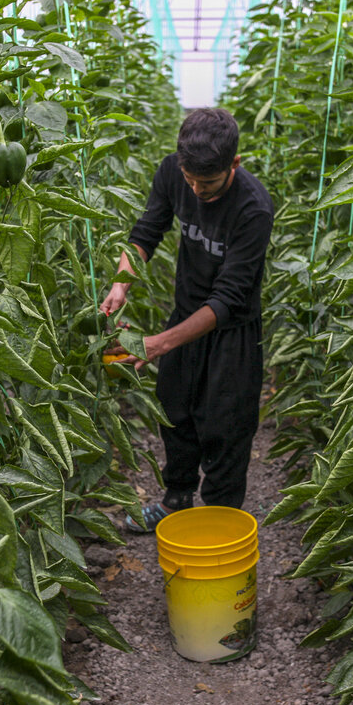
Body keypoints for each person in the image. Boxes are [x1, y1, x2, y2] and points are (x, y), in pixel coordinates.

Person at [99, 108, 274, 532]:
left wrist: (158, 343)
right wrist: (122, 283)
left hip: (231, 331)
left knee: (226, 428)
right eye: (191, 180)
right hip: (186, 315)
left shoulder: (254, 207)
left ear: (234, 164)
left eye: (209, 183)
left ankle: (221, 521)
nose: (197, 191)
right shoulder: (173, 173)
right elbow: (146, 233)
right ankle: (175, 501)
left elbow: (229, 298)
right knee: (174, 410)